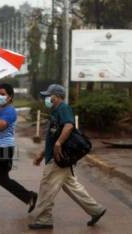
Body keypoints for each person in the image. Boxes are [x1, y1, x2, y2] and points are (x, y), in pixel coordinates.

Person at [28, 84, 106, 230]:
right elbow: (53, 136)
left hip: (59, 158)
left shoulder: (63, 108)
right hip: (57, 156)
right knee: (72, 186)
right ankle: (96, 210)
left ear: (55, 96)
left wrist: (59, 143)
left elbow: (69, 126)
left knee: (47, 187)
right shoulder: (55, 111)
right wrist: (42, 154)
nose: (46, 98)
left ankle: (44, 219)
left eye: (48, 96)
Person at [0, 83, 38, 218]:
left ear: (10, 97)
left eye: (3, 94)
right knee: (2, 178)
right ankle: (29, 196)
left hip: (2, 149)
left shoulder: (10, 111)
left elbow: (0, 126)